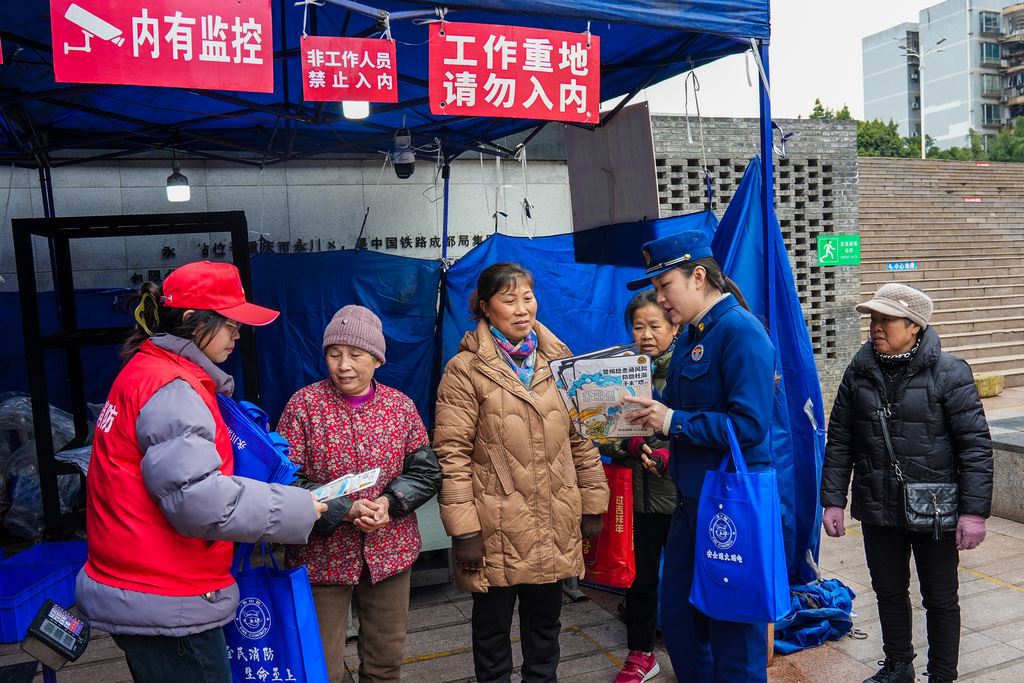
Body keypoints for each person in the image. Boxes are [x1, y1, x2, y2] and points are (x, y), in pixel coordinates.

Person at [78, 261, 326, 683]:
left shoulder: (145, 370)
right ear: (193, 320)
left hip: (143, 584)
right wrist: (300, 507)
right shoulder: (173, 387)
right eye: (230, 323)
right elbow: (196, 500)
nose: (237, 334)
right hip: (168, 596)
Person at [433, 262, 610, 683]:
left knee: (545, 627)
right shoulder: (464, 370)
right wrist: (465, 532)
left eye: (527, 298)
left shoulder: (560, 358)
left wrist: (593, 502)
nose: (521, 308)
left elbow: (583, 438)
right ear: (484, 307)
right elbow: (451, 454)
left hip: (553, 517)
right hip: (495, 524)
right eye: (508, 300)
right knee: (493, 630)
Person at [623, 231, 777, 682]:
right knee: (679, 622)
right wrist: (665, 446)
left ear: (697, 276)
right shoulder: (693, 334)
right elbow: (691, 418)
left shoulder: (741, 333)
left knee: (733, 633)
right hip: (691, 501)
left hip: (729, 504)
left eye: (664, 286)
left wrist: (672, 422)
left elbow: (749, 427)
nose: (660, 300)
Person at [820, 284, 992, 683]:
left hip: (934, 509)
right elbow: (841, 437)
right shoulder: (859, 371)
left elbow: (975, 447)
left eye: (885, 319)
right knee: (889, 592)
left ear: (914, 326)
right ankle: (898, 666)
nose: (875, 327)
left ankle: (942, 675)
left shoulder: (950, 372)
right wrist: (832, 499)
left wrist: (973, 512)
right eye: (873, 319)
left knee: (941, 598)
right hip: (878, 505)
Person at [277, 305, 442, 683]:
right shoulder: (304, 406)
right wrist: (345, 511)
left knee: (385, 662)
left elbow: (426, 471)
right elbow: (284, 481)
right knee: (321, 666)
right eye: (334, 355)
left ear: (377, 359)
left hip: (389, 548)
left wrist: (388, 503)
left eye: (356, 355)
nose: (344, 365)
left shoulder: (399, 407)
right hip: (321, 554)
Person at [599, 290, 679, 683]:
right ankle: (641, 654)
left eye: (655, 325)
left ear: (674, 325)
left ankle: (692, 650)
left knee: (686, 577)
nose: (645, 334)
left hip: (680, 496)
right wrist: (627, 443)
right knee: (639, 578)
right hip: (636, 497)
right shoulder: (619, 372)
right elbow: (596, 429)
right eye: (638, 326)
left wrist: (671, 455)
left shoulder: (687, 368)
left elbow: (704, 426)